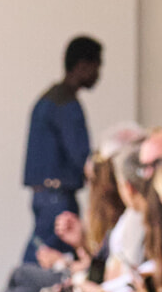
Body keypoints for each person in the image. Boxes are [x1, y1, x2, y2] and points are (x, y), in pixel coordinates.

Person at [22, 36, 103, 260]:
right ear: (83, 66)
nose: (98, 74)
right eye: (97, 67)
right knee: (43, 262)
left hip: (43, 195)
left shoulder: (47, 99)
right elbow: (80, 155)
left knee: (42, 257)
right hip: (58, 198)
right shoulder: (66, 105)